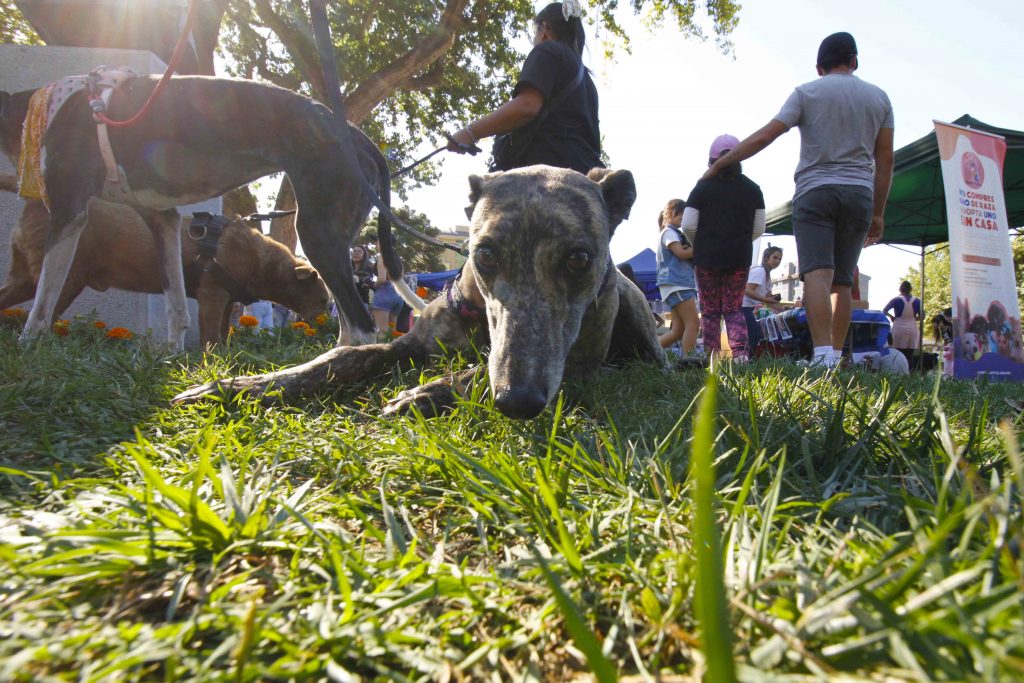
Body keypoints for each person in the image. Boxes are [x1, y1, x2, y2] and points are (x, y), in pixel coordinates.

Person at [703, 32, 894, 368]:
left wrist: (721, 164)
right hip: (860, 194)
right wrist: (878, 214)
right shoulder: (879, 99)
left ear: (819, 68)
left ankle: (821, 357)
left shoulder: (807, 93)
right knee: (844, 281)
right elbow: (885, 160)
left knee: (817, 276)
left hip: (815, 192)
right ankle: (836, 354)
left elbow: (766, 135)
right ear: (854, 62)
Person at [447, 2, 603, 174]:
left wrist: (470, 132)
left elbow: (527, 106)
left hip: (545, 171)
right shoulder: (588, 82)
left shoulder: (548, 50)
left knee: (478, 194)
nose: (534, 40)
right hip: (584, 175)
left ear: (544, 29)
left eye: (534, 33)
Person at [682, 134, 766, 362]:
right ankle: (740, 355)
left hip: (706, 256)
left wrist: (699, 243)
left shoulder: (701, 188)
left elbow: (688, 225)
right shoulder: (753, 189)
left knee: (709, 309)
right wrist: (740, 240)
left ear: (711, 162)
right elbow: (759, 227)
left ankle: (712, 357)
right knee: (733, 307)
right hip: (739, 256)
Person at [655, 199, 699, 354]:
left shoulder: (670, 232)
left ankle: (647, 354)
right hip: (678, 283)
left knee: (678, 331)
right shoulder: (669, 232)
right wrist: (700, 248)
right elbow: (681, 253)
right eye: (682, 214)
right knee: (693, 324)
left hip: (673, 285)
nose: (684, 218)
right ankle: (689, 361)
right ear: (672, 212)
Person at [741, 245, 786, 352]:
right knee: (753, 337)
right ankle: (746, 362)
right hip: (742, 308)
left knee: (756, 336)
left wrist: (783, 311)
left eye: (779, 259)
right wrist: (766, 300)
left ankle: (747, 361)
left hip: (749, 309)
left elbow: (769, 299)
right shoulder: (760, 271)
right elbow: (746, 290)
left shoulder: (767, 275)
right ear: (766, 258)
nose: (777, 261)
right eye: (775, 258)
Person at [371, 238, 407, 338]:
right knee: (392, 332)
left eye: (377, 241)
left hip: (384, 294)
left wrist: (373, 286)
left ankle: (381, 353)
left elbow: (382, 279)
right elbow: (402, 279)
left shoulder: (382, 257)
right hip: (398, 295)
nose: (376, 243)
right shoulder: (398, 259)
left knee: (382, 332)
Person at [883, 280, 922, 362]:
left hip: (899, 327)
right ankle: (909, 372)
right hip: (912, 329)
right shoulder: (917, 301)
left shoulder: (896, 300)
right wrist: (912, 318)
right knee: (910, 355)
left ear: (900, 289)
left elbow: (885, 310)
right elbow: (922, 317)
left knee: (897, 353)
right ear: (910, 289)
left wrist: (891, 317)